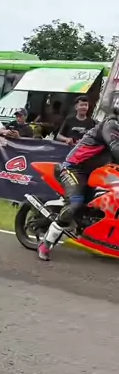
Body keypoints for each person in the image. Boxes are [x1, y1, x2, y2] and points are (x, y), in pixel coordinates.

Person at [38, 96, 119, 261]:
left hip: (96, 172)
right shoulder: (110, 125)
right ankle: (47, 242)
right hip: (74, 169)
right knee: (75, 203)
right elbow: (116, 147)